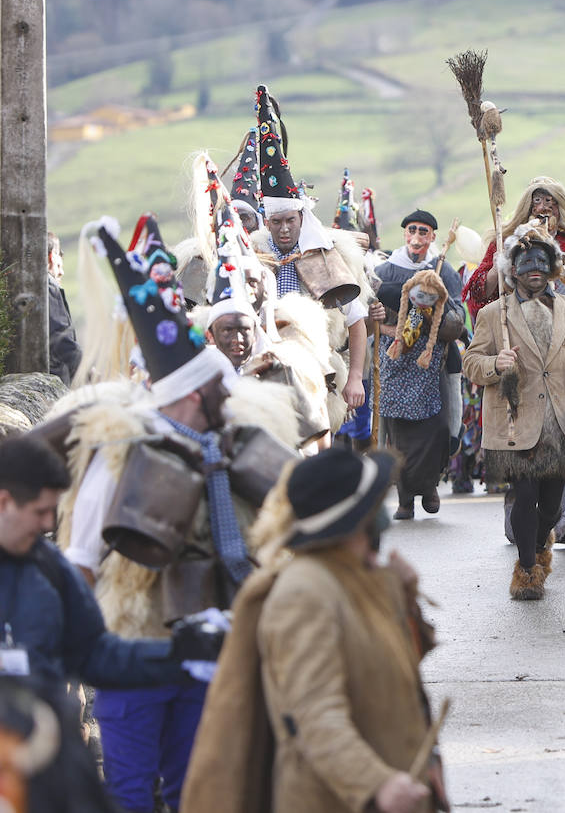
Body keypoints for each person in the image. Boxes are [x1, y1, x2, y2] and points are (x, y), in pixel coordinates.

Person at [58, 215, 295, 813]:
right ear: (192, 391)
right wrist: (82, 658)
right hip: (134, 647)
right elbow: (81, 561)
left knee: (201, 790)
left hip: (211, 651)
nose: (230, 391)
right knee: (132, 793)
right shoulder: (115, 452)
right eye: (217, 386)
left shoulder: (236, 445)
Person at [183, 448, 445, 813]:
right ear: (355, 522)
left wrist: (407, 600)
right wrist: (375, 783)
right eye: (374, 508)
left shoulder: (359, 576)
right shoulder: (303, 594)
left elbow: (397, 666)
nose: (382, 519)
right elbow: (314, 716)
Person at [0, 435, 193, 813]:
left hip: (45, 776)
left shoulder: (50, 570)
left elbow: (97, 654)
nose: (47, 525)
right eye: (40, 512)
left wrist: (183, 653)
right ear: (4, 501)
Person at [464, 226, 565, 600]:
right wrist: (496, 362)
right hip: (514, 421)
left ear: (553, 267)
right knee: (524, 496)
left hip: (561, 423)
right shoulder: (495, 314)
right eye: (526, 263)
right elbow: (471, 364)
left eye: (541, 263)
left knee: (551, 505)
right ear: (513, 270)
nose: (534, 270)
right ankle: (527, 569)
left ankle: (543, 543)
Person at [246, 84, 372, 418]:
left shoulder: (324, 255)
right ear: (267, 221)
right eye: (276, 222)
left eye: (290, 220)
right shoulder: (252, 257)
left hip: (317, 368)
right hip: (263, 364)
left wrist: (355, 377)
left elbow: (356, 321)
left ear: (301, 217)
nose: (284, 228)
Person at [375, 210, 467, 518]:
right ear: (404, 234)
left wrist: (440, 316)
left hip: (433, 360)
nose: (416, 236)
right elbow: (368, 310)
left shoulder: (444, 270)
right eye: (412, 229)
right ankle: (404, 497)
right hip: (397, 358)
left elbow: (458, 313)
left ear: (432, 237)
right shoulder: (384, 271)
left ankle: (429, 485)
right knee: (399, 432)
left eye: (423, 231)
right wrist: (386, 325)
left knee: (439, 426)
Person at [47, 232, 82, 386]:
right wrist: (87, 370)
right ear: (51, 257)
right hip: (53, 380)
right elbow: (60, 337)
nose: (61, 272)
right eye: (59, 265)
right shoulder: (48, 286)